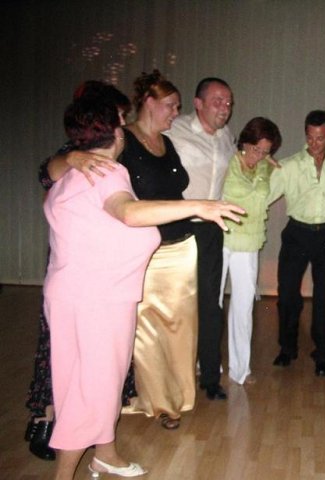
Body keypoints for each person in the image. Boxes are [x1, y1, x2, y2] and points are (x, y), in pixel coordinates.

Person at [44, 96, 242, 480]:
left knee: (84, 383)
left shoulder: (70, 172)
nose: (126, 127)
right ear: (114, 132)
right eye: (121, 120)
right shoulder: (110, 173)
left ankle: (106, 454)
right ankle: (63, 475)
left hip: (70, 293)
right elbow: (128, 212)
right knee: (93, 389)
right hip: (100, 299)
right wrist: (198, 206)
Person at [26, 81, 135, 462]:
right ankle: (48, 423)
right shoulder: (79, 152)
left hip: (101, 271)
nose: (124, 122)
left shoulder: (116, 153)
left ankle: (103, 445)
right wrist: (72, 158)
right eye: (120, 114)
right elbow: (47, 174)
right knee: (67, 362)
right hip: (79, 268)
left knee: (100, 370)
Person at [118, 70, 200, 429]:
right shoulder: (122, 140)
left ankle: (181, 395)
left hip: (182, 246)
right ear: (149, 103)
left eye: (178, 107)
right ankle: (162, 403)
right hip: (147, 250)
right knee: (147, 329)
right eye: (171, 105)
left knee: (182, 327)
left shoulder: (167, 142)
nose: (175, 113)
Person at [268, 110, 325, 377]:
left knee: (324, 296)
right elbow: (263, 196)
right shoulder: (289, 165)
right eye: (310, 137)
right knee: (287, 294)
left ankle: (322, 353)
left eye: (320, 138)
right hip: (297, 233)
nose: (314, 143)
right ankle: (287, 348)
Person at [165, 77, 235, 401]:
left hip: (210, 231)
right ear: (198, 103)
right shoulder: (173, 130)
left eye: (228, 102)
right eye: (218, 101)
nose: (225, 107)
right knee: (176, 306)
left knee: (210, 305)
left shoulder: (227, 136)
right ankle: (172, 380)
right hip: (178, 226)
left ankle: (210, 377)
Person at [219, 117, 282, 385]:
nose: (259, 155)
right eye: (256, 149)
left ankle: (240, 370)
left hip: (249, 239)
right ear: (245, 141)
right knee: (212, 303)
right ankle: (205, 362)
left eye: (266, 151)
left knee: (243, 306)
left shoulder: (266, 166)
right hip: (220, 236)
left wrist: (269, 164)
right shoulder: (227, 161)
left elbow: (264, 196)